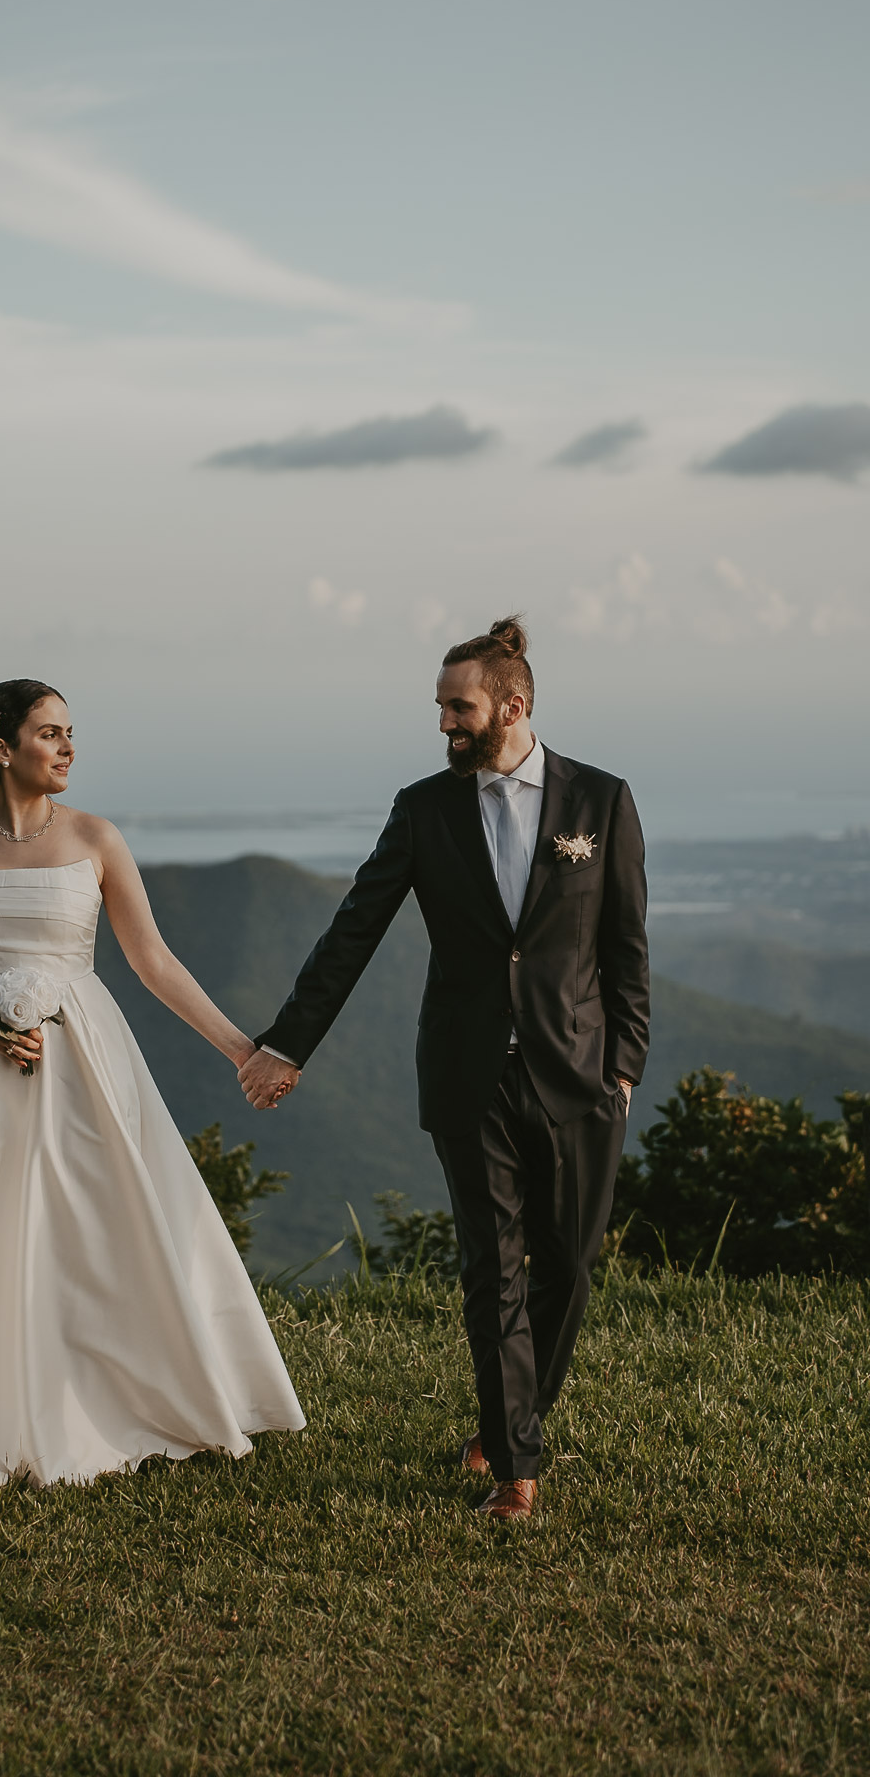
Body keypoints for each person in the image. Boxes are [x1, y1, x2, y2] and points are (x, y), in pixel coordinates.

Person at [0, 678, 304, 1532]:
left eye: (72, 732)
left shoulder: (96, 838)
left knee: (97, 1231)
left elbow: (151, 961)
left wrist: (241, 1049)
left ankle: (100, 1399)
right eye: (51, 733)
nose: (70, 747)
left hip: (84, 1059)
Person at [238, 617, 649, 1520]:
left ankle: (508, 1422)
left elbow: (625, 947)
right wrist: (285, 1042)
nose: (443, 725)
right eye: (439, 708)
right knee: (491, 1267)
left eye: (457, 708)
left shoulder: (602, 801)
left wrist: (624, 1066)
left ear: (514, 704)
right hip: (467, 1075)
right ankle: (516, 1465)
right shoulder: (423, 809)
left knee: (568, 1270)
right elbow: (354, 931)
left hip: (581, 1076)